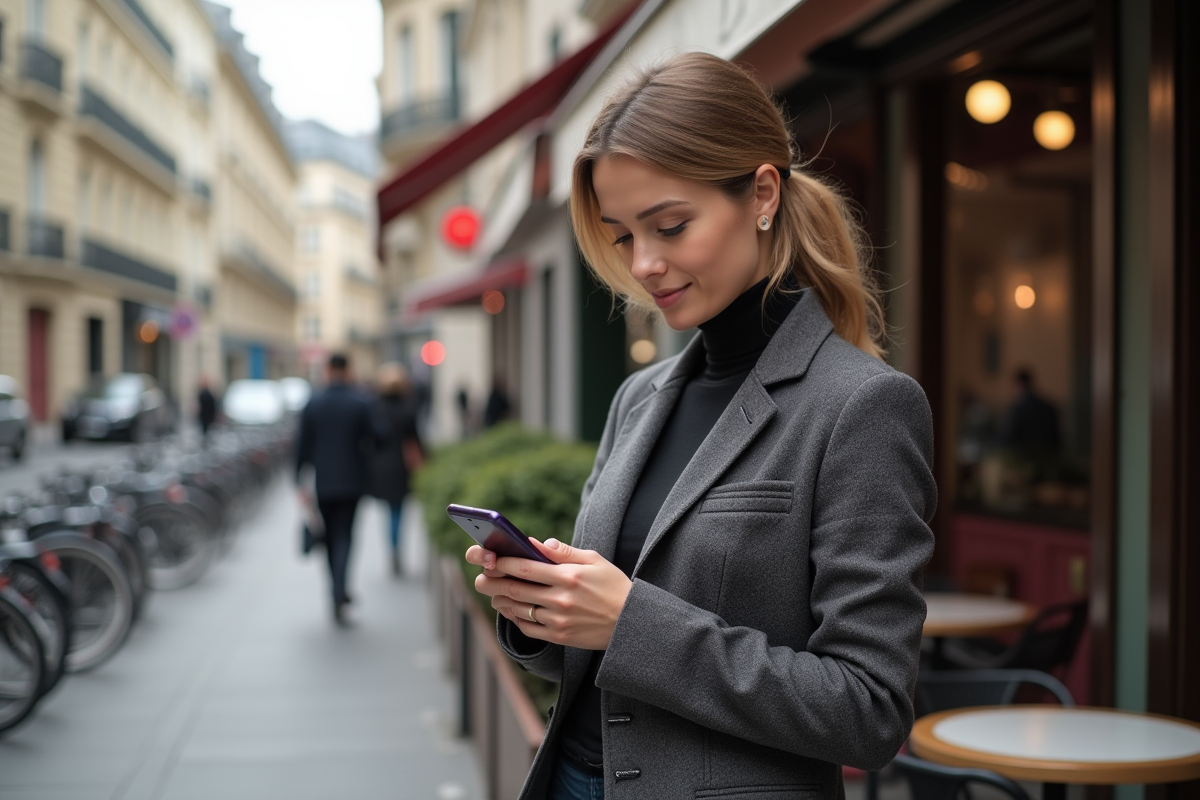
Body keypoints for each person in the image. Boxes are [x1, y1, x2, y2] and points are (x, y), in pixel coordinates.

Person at [465, 53, 936, 800]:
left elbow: (868, 711)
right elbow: (603, 656)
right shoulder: (638, 398)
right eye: (623, 236)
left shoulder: (863, 406)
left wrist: (630, 621)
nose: (644, 264)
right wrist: (543, 612)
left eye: (670, 226)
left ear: (762, 194)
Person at [295, 353, 384, 624]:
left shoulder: (314, 402)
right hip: (352, 481)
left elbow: (301, 446)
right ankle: (340, 590)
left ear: (328, 370)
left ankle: (334, 589)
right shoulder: (360, 401)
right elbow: (381, 436)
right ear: (347, 370)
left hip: (323, 481)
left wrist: (299, 481)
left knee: (329, 536)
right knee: (345, 534)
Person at [369, 362, 424, 576]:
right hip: (401, 466)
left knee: (389, 511)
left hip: (380, 467)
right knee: (398, 511)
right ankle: (396, 549)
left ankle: (392, 549)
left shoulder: (375, 409)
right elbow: (416, 441)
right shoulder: (406, 410)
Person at [998, 368, 1061, 454]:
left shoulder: (1018, 410)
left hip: (1024, 458)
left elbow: (1006, 438)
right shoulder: (1049, 407)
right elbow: (1057, 440)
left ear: (1019, 384)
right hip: (1047, 457)